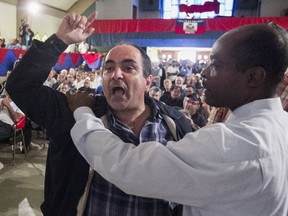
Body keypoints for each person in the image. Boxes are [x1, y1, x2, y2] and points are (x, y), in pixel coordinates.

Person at [69, 22, 288, 216]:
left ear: (253, 77)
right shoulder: (282, 126)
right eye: (109, 68)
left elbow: (126, 167)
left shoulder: (224, 144)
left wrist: (82, 113)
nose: (204, 72)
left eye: (216, 65)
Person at [6, 11, 192, 216]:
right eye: (108, 68)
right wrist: (60, 40)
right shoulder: (74, 111)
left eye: (128, 68)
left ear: (148, 81)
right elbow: (21, 86)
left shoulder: (174, 125)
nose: (116, 74)